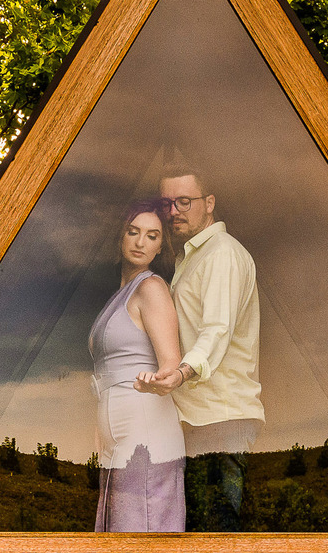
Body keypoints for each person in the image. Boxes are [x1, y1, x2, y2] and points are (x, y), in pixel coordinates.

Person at [135, 164, 263, 531]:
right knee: (200, 532)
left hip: (222, 419)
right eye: (167, 203)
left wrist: (179, 373)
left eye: (184, 201)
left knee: (218, 534)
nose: (173, 211)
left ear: (209, 203)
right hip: (199, 419)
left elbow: (216, 331)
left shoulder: (222, 253)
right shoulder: (190, 258)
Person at [89, 199, 186, 532]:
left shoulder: (151, 287)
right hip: (117, 437)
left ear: (161, 246)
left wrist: (157, 378)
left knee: (139, 531)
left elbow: (171, 361)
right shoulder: (121, 293)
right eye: (134, 232)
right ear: (121, 236)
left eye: (153, 235)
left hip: (145, 430)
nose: (141, 242)